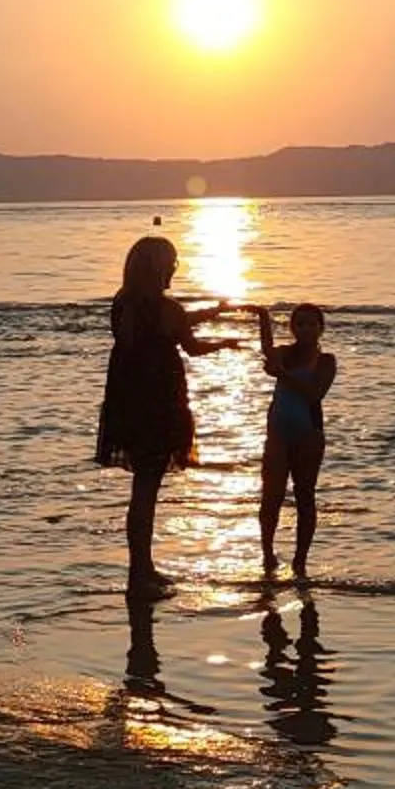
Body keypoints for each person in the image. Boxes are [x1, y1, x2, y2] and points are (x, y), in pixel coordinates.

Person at [96, 233, 237, 591]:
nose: (175, 270)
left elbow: (166, 326)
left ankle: (139, 568)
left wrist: (212, 312)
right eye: (172, 264)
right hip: (161, 406)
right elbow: (190, 344)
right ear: (158, 268)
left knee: (141, 489)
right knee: (147, 490)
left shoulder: (123, 304)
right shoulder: (167, 310)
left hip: (128, 405)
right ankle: (141, 574)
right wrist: (225, 343)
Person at [251, 302, 337, 577]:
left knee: (304, 496)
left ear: (321, 329)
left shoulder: (326, 361)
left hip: (308, 433)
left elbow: (314, 394)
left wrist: (283, 376)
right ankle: (267, 554)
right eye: (300, 324)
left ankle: (300, 560)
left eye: (312, 324)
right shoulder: (286, 353)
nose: (306, 329)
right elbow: (267, 351)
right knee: (271, 496)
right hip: (278, 432)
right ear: (293, 328)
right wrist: (262, 317)